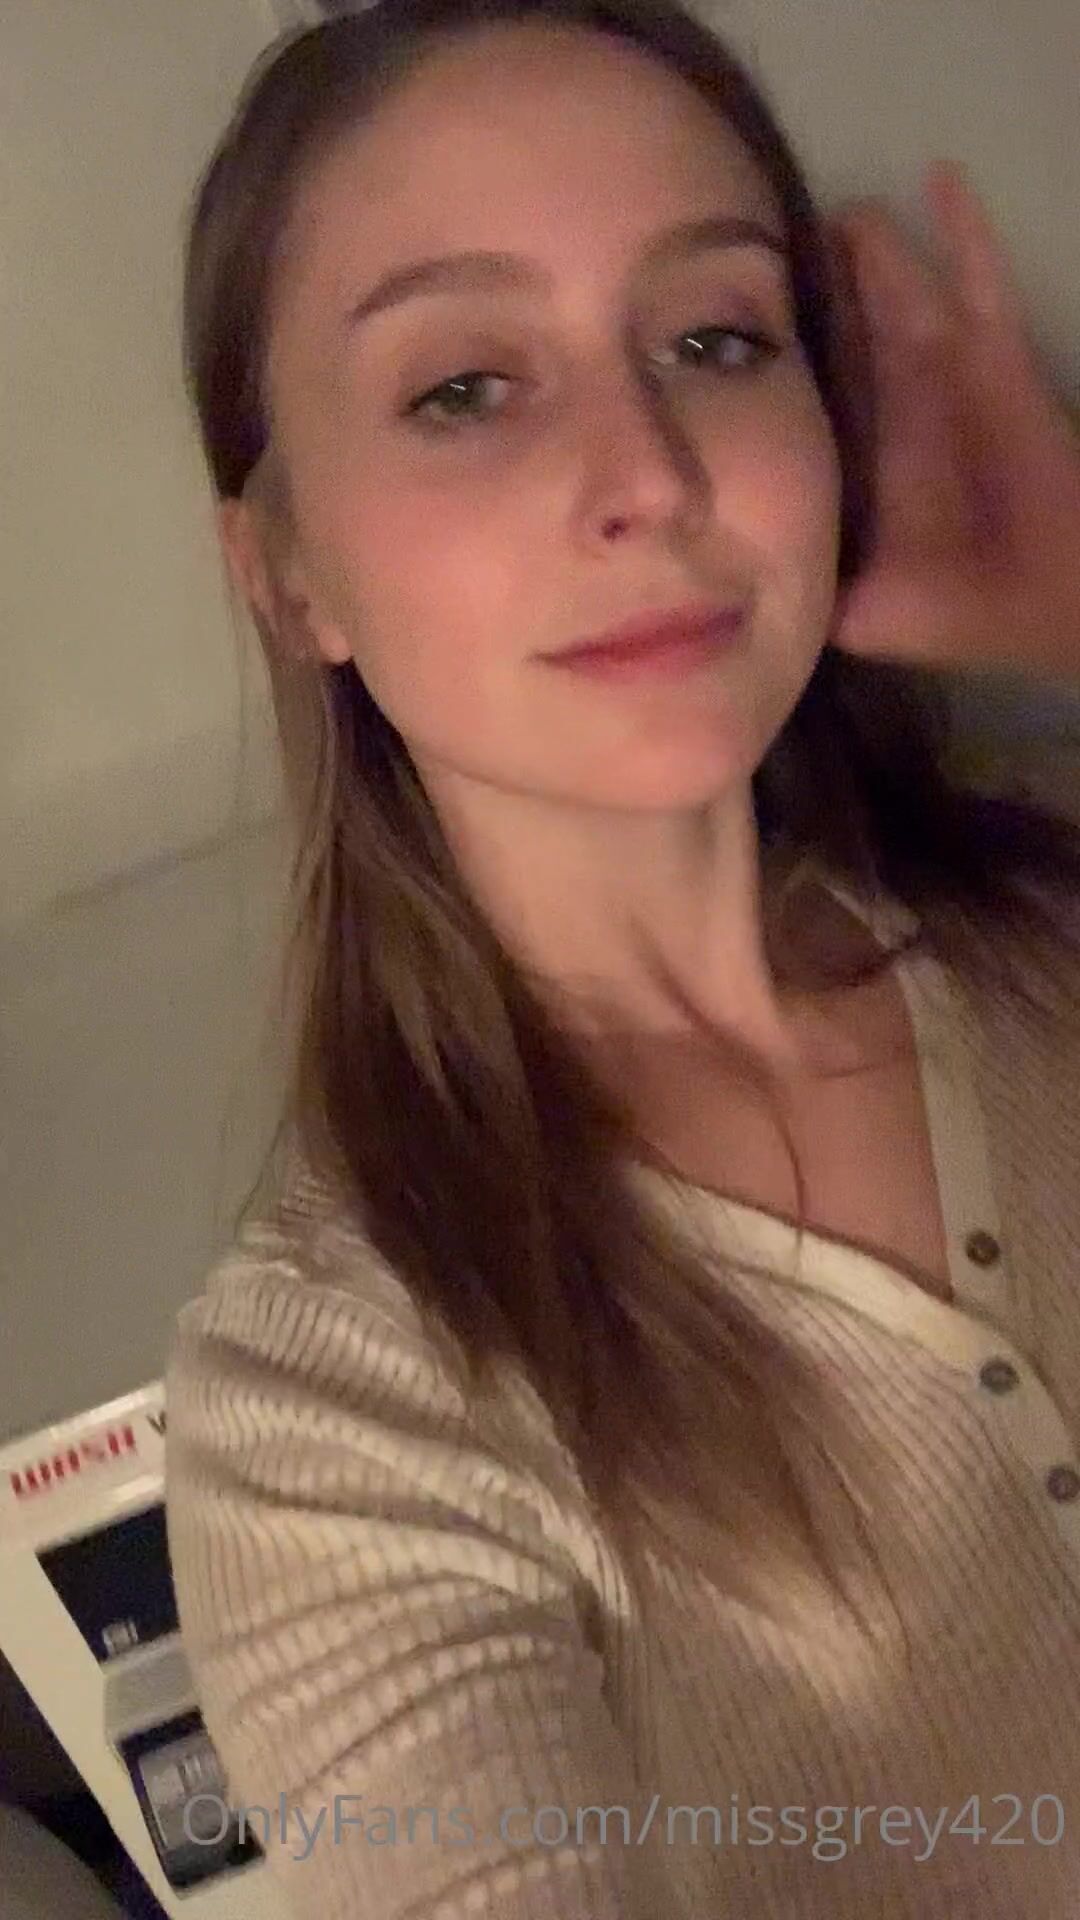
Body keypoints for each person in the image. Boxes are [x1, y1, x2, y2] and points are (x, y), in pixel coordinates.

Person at [163, 1, 1080, 1914]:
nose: (649, 472)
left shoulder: (1053, 919)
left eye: (716, 341)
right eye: (464, 388)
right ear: (289, 575)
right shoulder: (331, 1416)